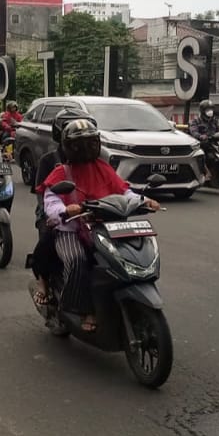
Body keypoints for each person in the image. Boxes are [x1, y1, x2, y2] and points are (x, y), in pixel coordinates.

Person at [42, 119, 160, 332]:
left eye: (90, 142)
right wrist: (65, 210)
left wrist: (144, 201)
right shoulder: (62, 172)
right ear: (69, 147)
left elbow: (124, 192)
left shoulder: (103, 168)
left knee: (123, 259)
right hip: (72, 229)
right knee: (77, 260)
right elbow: (50, 200)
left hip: (107, 226)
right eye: (80, 144)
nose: (86, 148)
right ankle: (78, 307)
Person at [30, 107, 94, 305]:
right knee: (48, 235)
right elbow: (43, 194)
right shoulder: (49, 160)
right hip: (59, 212)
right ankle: (43, 280)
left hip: (89, 210)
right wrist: (55, 214)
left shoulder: (95, 160)